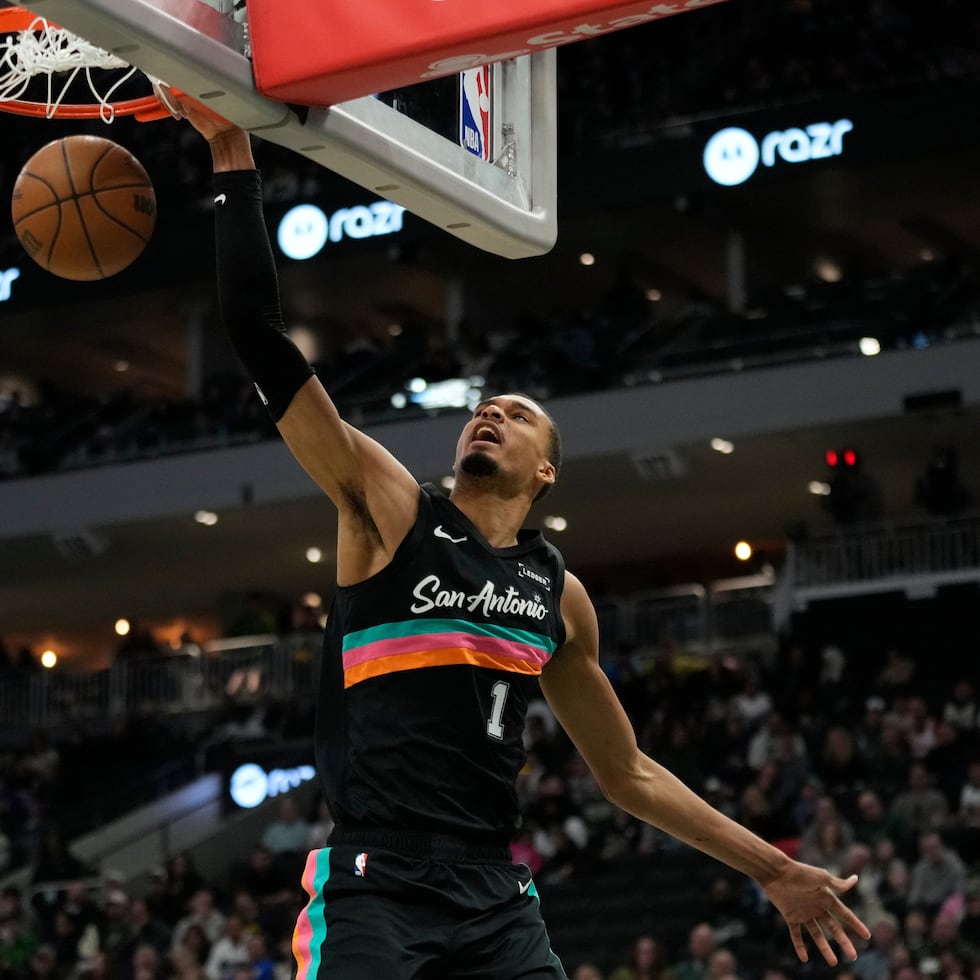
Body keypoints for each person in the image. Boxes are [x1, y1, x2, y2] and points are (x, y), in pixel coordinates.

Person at [167, 96, 872, 979]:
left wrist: (773, 868)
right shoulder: (387, 510)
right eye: (482, 408)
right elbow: (257, 336)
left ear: (547, 473)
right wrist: (231, 153)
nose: (490, 413)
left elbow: (630, 775)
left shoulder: (560, 597)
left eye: (518, 413)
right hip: (375, 882)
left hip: (495, 897)